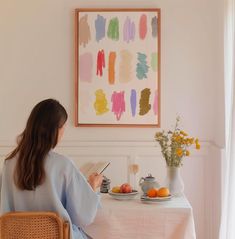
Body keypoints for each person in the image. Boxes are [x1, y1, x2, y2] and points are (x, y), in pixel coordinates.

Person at [0, 99, 103, 239]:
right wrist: (92, 186)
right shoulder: (63, 165)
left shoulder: (9, 164)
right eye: (63, 127)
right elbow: (83, 217)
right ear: (54, 130)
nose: (63, 132)